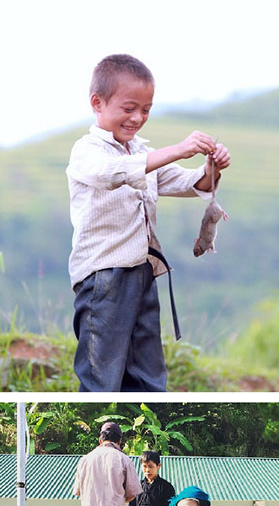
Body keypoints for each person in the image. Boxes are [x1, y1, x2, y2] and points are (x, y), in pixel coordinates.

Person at [67, 53, 231, 391]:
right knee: (101, 374)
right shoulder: (87, 151)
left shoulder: (140, 151)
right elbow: (111, 174)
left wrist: (212, 169)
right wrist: (178, 149)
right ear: (97, 103)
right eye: (128, 109)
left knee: (146, 372)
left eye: (146, 110)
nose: (137, 118)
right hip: (104, 277)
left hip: (143, 273)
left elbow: (190, 183)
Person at [73, 421, 141, 506]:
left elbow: (79, 491)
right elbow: (132, 492)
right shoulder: (123, 459)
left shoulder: (85, 460)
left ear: (100, 440)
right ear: (119, 441)